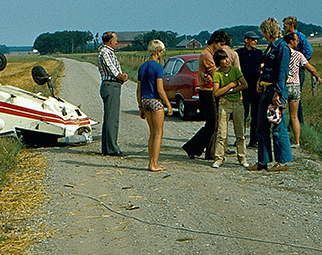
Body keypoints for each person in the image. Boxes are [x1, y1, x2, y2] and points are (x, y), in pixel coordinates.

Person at [249, 18, 292, 172]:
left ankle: (282, 162)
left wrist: (278, 93)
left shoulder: (282, 48)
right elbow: (265, 66)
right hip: (265, 89)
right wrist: (260, 80)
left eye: (263, 32)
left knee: (278, 126)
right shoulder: (270, 48)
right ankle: (263, 161)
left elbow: (282, 72)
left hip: (275, 91)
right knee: (261, 127)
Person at [182, 30, 232, 160]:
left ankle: (207, 152)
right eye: (220, 44)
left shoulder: (210, 54)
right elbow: (215, 72)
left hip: (210, 90)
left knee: (213, 123)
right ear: (214, 42)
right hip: (207, 91)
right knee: (212, 123)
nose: (221, 47)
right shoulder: (206, 55)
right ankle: (193, 147)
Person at [137, 39, 174, 171]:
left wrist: (140, 106)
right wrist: (168, 104)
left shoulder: (142, 67)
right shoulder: (158, 67)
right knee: (158, 133)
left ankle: (150, 162)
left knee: (152, 133)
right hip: (155, 101)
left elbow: (139, 89)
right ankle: (154, 163)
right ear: (158, 52)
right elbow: (160, 89)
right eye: (162, 52)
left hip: (145, 101)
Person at [283, 32, 322, 148]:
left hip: (284, 85)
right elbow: (310, 68)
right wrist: (317, 77)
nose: (297, 42)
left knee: (281, 114)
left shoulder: (282, 53)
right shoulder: (298, 55)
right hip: (295, 85)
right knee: (294, 116)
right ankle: (296, 141)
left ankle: (282, 139)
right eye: (296, 40)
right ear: (291, 41)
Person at [211, 49, 248, 168]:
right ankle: (219, 158)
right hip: (224, 103)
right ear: (218, 62)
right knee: (222, 133)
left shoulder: (235, 70)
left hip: (237, 102)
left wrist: (231, 90)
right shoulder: (217, 74)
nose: (226, 61)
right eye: (223, 59)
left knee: (240, 132)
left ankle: (242, 157)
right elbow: (216, 92)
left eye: (226, 58)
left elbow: (244, 84)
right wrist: (231, 85)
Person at [98, 31, 128, 156]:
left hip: (110, 86)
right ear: (110, 41)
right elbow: (112, 70)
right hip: (111, 86)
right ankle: (112, 148)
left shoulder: (107, 52)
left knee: (109, 117)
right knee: (112, 119)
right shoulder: (106, 52)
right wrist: (121, 76)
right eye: (115, 40)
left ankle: (106, 147)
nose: (117, 42)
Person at [236, 31, 263, 148]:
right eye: (253, 39)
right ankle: (240, 138)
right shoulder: (238, 53)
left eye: (256, 39)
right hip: (243, 86)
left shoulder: (259, 53)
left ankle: (254, 140)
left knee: (255, 114)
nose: (255, 41)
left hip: (255, 86)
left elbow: (262, 67)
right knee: (243, 114)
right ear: (246, 40)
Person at [283, 16, 313, 125]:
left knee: (296, 98)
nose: (283, 28)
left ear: (292, 26)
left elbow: (309, 51)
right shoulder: (285, 38)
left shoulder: (299, 36)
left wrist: (300, 61)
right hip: (287, 71)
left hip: (297, 70)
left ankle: (299, 124)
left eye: (285, 25)